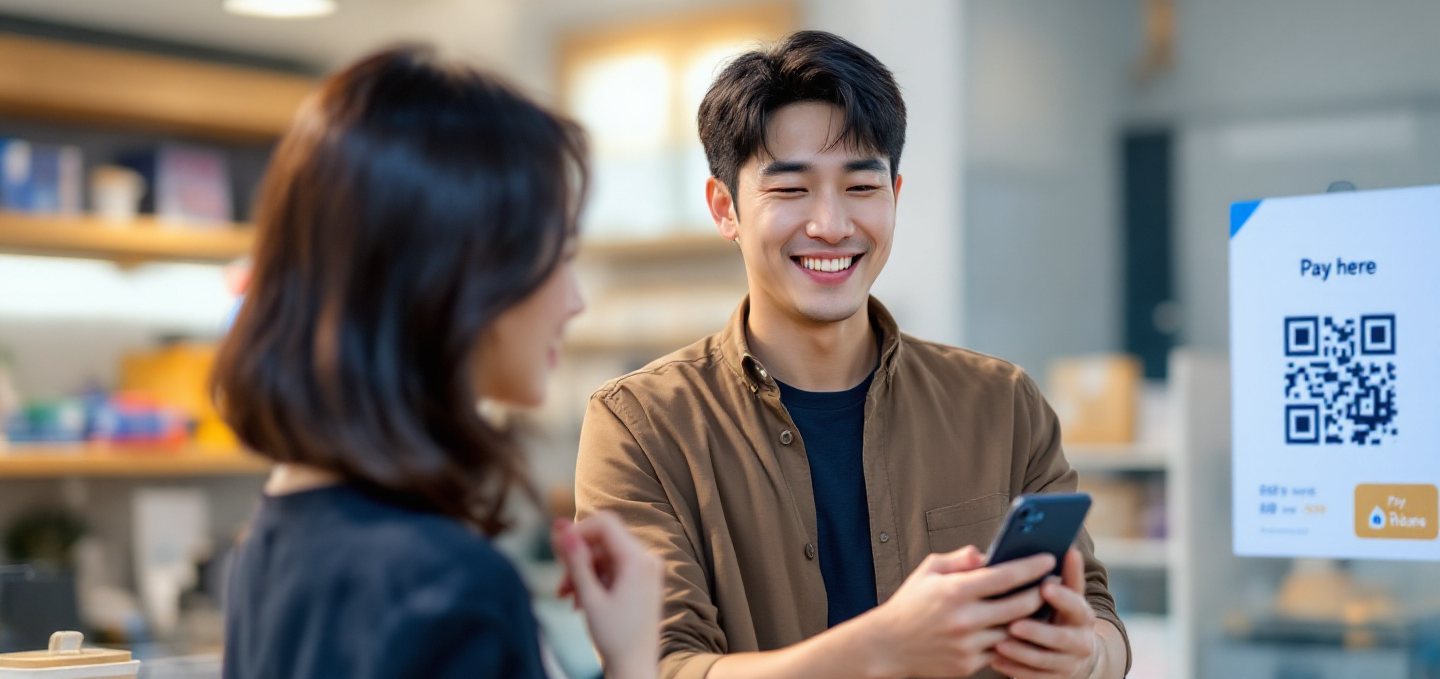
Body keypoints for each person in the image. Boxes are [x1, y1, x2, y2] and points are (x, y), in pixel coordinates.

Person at [574, 30, 1131, 679]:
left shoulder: (1001, 403)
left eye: (862, 187)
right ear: (725, 208)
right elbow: (657, 666)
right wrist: (883, 646)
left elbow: (1096, 612)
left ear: (895, 193)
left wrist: (1087, 654)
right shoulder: (640, 424)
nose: (832, 225)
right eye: (791, 190)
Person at [215, 46, 661, 679]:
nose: (575, 301)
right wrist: (634, 660)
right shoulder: (451, 589)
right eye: (559, 257)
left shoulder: (269, 540)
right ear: (461, 275)